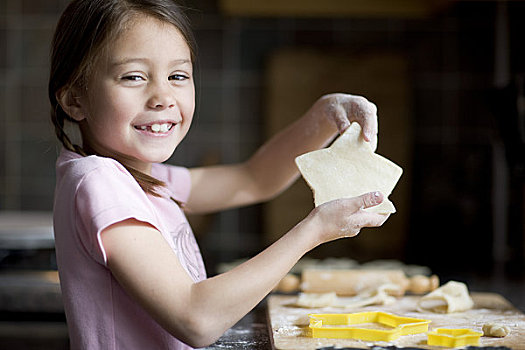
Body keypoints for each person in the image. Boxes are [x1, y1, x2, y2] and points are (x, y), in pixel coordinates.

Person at [49, 0, 389, 349]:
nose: (163, 97)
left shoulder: (139, 180)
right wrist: (313, 231)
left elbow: (254, 178)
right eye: (133, 76)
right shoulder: (99, 182)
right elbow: (195, 318)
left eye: (177, 76)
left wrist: (322, 118)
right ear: (75, 99)